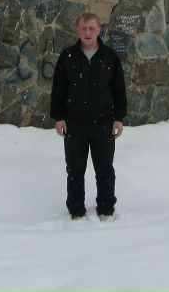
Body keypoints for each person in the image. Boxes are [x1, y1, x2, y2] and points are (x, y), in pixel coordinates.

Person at [50, 11, 127, 219]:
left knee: (104, 169)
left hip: (104, 124)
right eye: (84, 28)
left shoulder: (110, 57)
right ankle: (76, 209)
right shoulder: (68, 57)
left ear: (99, 30)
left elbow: (119, 89)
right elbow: (58, 89)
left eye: (91, 28)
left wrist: (118, 118)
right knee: (75, 171)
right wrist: (58, 117)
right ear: (78, 30)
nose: (87, 32)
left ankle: (106, 208)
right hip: (74, 124)